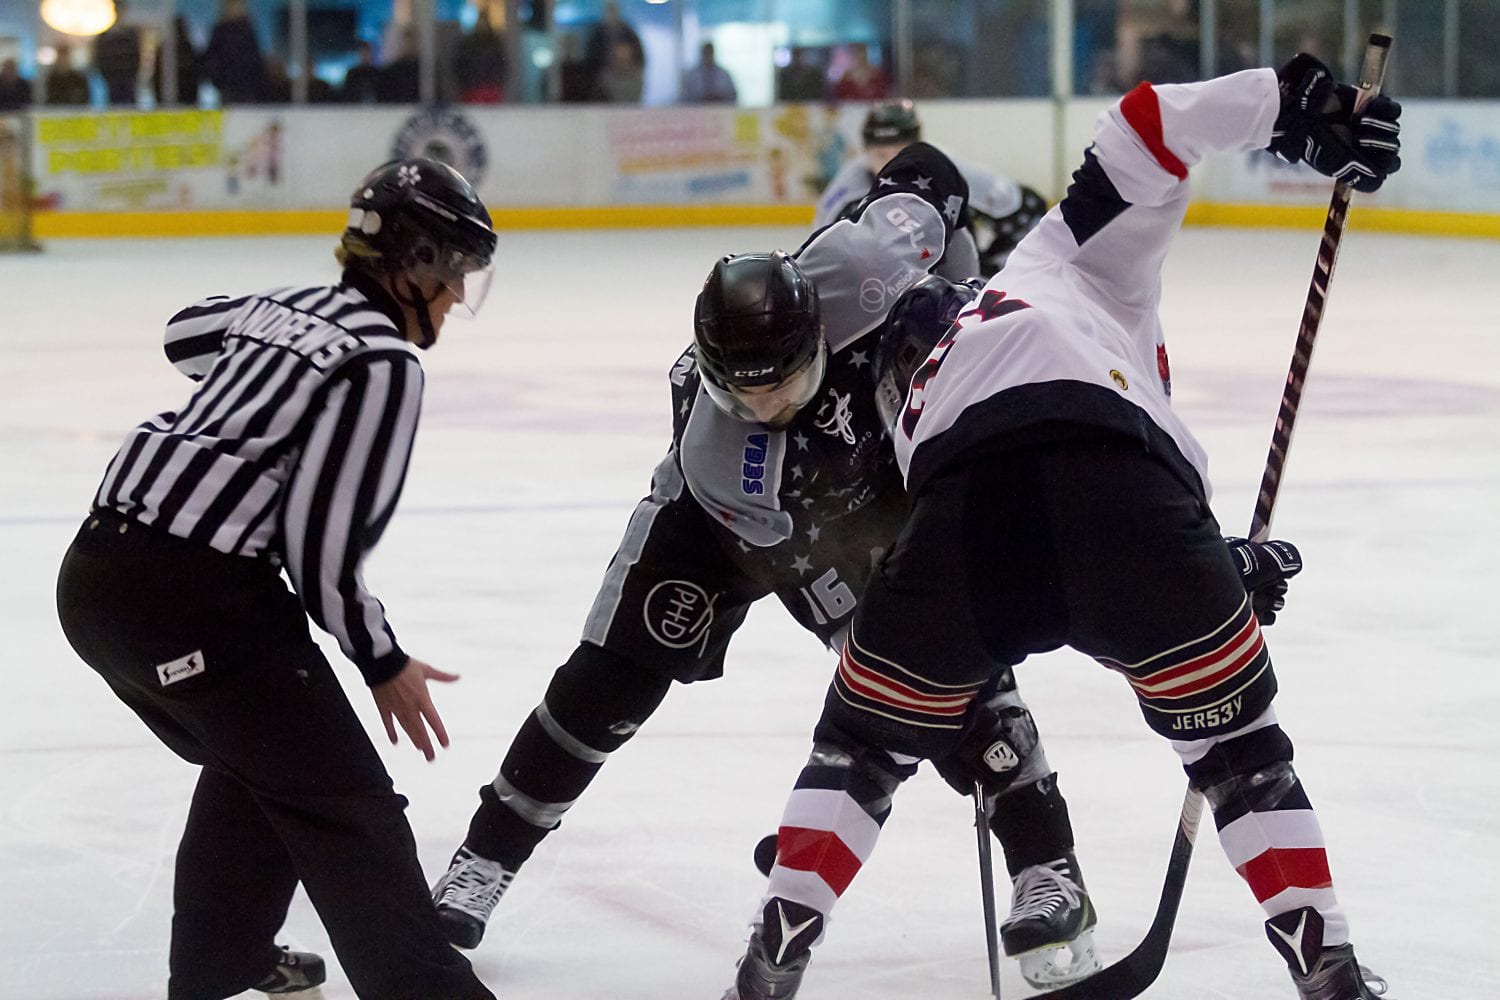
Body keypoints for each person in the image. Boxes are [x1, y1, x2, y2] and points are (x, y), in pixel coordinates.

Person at [720, 53, 1402, 1000]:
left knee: (860, 751)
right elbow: (1149, 122)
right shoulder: (1052, 265)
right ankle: (1327, 971)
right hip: (1130, 500)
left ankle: (771, 963)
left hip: (967, 520)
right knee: (1241, 755)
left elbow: (1025, 517)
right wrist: (1294, 106)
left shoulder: (911, 401)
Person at [431, 143, 1107, 991]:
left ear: (817, 330)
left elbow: (926, 171)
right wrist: (875, 697)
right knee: (611, 679)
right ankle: (482, 859)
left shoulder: (862, 266)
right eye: (743, 393)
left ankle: (1050, 869)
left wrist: (956, 280)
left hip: (866, 487)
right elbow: (812, 575)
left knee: (954, 676)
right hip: (735, 526)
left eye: (781, 384)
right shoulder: (721, 455)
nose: (765, 405)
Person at [54, 158, 502, 1000]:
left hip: (93, 579)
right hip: (195, 602)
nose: (455, 298)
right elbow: (318, 546)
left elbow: (184, 335)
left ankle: (220, 965)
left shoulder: (283, 307)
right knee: (349, 808)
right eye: (454, 274)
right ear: (413, 264)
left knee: (258, 756)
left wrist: (271, 350)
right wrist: (382, 659)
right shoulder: (382, 364)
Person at [815, 99, 1048, 278]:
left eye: (901, 152)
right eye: (881, 155)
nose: (892, 164)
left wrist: (994, 274)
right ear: (865, 152)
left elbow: (1026, 209)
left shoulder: (947, 169)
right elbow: (824, 255)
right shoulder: (847, 192)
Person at [205, 0, 265, 104]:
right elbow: (211, 58)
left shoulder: (247, 31)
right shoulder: (220, 31)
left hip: (246, 85)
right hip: (228, 85)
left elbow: (255, 59)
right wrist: (218, 79)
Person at [93, 1, 143, 105]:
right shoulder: (105, 36)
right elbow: (99, 57)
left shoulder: (130, 34)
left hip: (128, 79)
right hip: (112, 80)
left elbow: (136, 57)